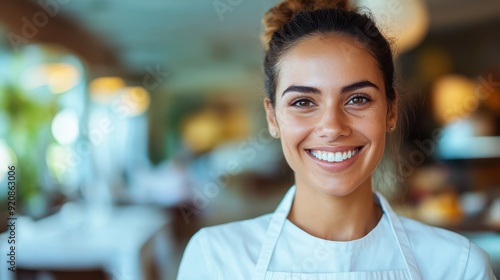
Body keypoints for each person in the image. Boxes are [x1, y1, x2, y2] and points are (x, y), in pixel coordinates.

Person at [177, 0, 497, 279]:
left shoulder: (457, 266)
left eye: (357, 99)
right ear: (272, 118)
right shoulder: (216, 260)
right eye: (303, 102)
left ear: (391, 111)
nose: (332, 127)